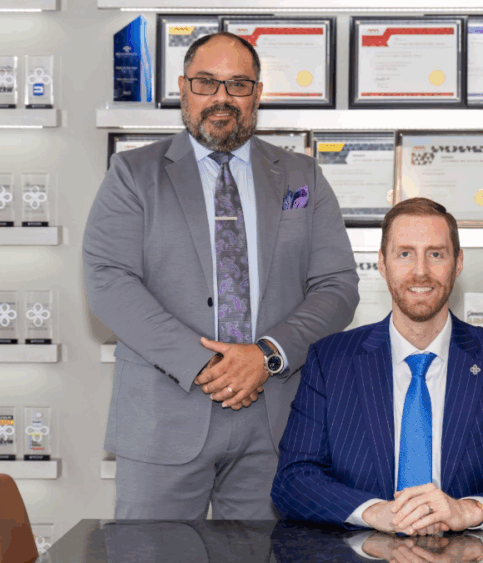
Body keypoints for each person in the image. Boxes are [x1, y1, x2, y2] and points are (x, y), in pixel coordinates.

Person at [83, 32, 358, 519]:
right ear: (183, 89)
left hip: (275, 421)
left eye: (238, 84)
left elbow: (336, 285)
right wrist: (205, 364)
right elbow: (109, 280)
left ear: (257, 93)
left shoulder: (302, 177)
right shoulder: (132, 174)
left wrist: (266, 355)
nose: (222, 98)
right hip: (163, 418)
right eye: (207, 83)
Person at [271, 198, 483, 534]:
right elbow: (293, 480)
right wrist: (374, 512)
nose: (420, 271)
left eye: (436, 254)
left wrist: (466, 511)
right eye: (404, 254)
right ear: (382, 264)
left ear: (458, 264)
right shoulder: (330, 361)